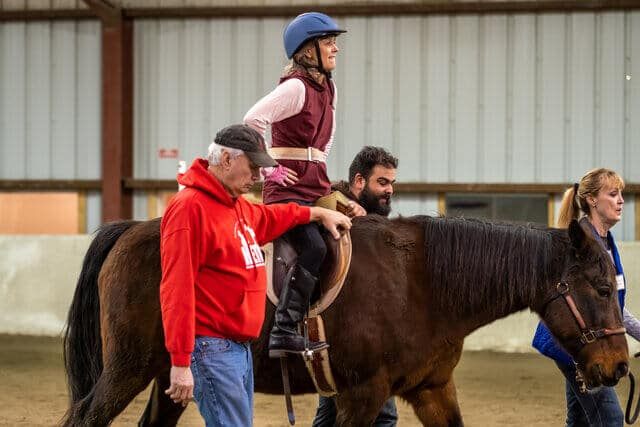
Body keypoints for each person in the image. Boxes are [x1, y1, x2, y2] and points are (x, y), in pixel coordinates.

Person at [159, 124, 351, 426]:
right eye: (252, 167)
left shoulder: (236, 207)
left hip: (236, 349)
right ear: (226, 160)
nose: (257, 177)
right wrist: (180, 362)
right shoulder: (190, 209)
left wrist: (318, 213)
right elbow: (176, 290)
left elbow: (272, 217)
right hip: (213, 348)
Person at [243, 12, 348, 357]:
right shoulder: (295, 87)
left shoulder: (329, 88)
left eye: (334, 42)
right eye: (328, 42)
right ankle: (284, 328)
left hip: (314, 188)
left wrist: (316, 162)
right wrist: (268, 170)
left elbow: (325, 140)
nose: (335, 48)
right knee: (315, 248)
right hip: (286, 194)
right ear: (306, 51)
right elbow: (252, 119)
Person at [532, 167, 640, 427]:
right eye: (613, 194)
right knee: (610, 420)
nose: (621, 200)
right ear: (592, 200)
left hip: (585, 341)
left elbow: (610, 306)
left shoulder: (605, 242)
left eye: (621, 194)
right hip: (580, 345)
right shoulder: (582, 245)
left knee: (579, 420)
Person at [313, 146, 399, 426]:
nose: (389, 190)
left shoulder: (372, 219)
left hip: (350, 341)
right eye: (382, 182)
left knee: (328, 416)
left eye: (392, 183)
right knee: (384, 416)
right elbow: (320, 201)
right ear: (360, 181)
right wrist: (340, 207)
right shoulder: (334, 205)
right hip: (354, 342)